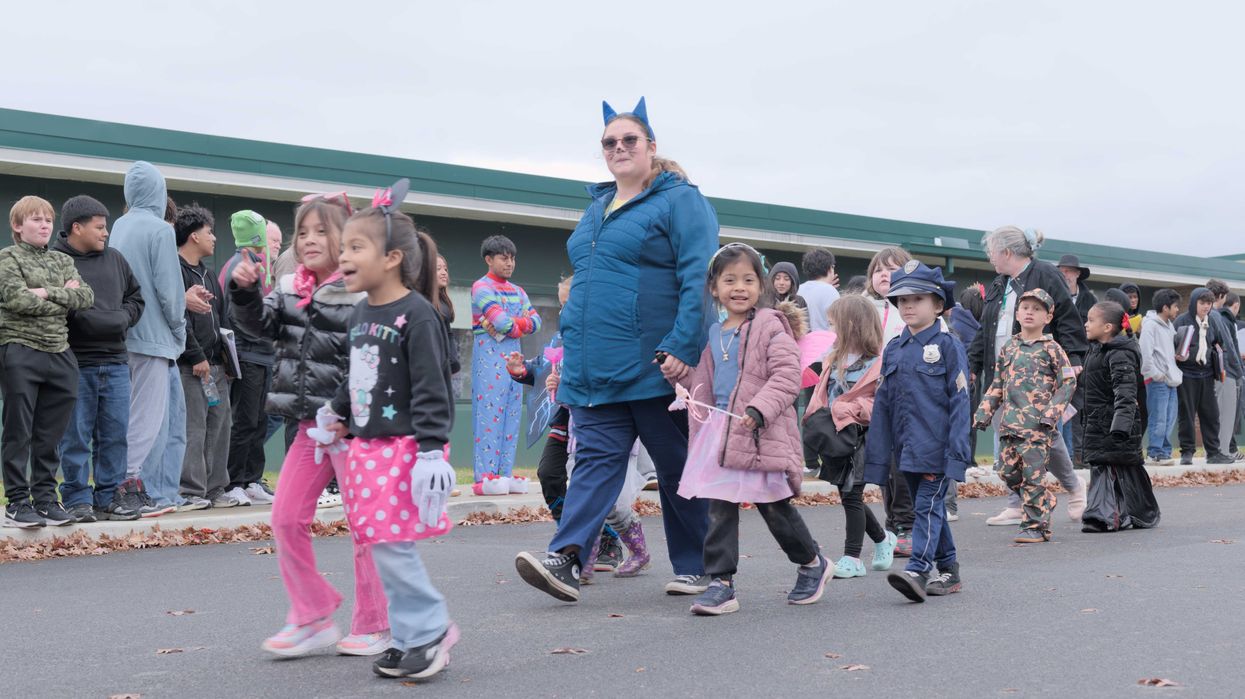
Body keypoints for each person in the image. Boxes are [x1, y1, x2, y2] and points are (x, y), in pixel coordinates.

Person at [514, 97, 714, 602]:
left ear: (651, 147)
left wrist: (683, 345)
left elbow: (697, 277)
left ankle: (699, 565)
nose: (619, 148)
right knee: (595, 462)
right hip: (593, 366)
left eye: (629, 140)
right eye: (610, 142)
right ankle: (567, 558)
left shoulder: (680, 200)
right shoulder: (596, 208)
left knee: (675, 467)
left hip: (653, 363)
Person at [233, 193, 387, 658]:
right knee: (284, 518)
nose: (311, 240)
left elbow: (373, 364)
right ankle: (312, 615)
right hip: (309, 429)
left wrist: (349, 416)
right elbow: (260, 326)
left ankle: (376, 623)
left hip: (357, 431)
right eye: (303, 232)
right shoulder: (289, 287)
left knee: (365, 528)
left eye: (323, 231)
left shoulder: (362, 292)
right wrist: (245, 291)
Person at [323, 189, 459, 681]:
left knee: (392, 545)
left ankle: (430, 630)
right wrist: (336, 411)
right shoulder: (361, 314)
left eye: (357, 246)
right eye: (345, 246)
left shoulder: (417, 314)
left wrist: (429, 451)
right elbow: (358, 376)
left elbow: (432, 386)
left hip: (406, 449)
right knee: (382, 546)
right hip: (366, 448)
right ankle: (408, 637)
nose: (344, 255)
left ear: (393, 258)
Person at [672, 243, 828, 615]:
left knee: (774, 507)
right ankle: (721, 583)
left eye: (748, 279)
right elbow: (706, 382)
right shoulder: (715, 332)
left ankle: (812, 562)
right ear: (714, 289)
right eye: (729, 280)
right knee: (719, 507)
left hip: (760, 431)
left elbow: (787, 375)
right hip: (722, 433)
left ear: (762, 286)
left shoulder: (771, 325)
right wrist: (679, 377)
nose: (738, 287)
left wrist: (760, 408)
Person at [864, 261, 972, 602]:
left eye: (918, 299)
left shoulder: (948, 345)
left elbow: (960, 403)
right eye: (902, 300)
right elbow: (883, 404)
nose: (908, 306)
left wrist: (957, 454)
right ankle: (950, 570)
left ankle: (918, 568)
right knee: (931, 508)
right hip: (905, 449)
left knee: (926, 506)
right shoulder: (894, 347)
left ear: (938, 304)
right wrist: (879, 456)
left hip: (937, 448)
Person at [967, 226, 1088, 526]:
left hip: (1036, 372)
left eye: (991, 252)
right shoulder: (1000, 283)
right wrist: (972, 364)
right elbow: (986, 328)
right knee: (1007, 436)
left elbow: (1067, 319)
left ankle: (1073, 486)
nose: (990, 258)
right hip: (1002, 373)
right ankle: (1015, 501)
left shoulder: (1045, 274)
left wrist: (1073, 359)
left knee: (1043, 435)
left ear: (1006, 252)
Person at [0, 196, 94, 528]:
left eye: (48, 220)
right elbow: (16, 299)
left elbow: (85, 297)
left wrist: (43, 292)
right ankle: (16, 502)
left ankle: (44, 499)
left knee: (50, 434)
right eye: (36, 220)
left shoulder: (61, 259)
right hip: (20, 350)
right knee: (18, 431)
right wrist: (59, 293)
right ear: (17, 226)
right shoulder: (7, 258)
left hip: (60, 354)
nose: (44, 225)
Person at [53, 195, 144, 523]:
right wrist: (93, 319)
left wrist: (121, 318)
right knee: (75, 435)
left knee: (115, 433)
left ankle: (109, 497)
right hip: (76, 363)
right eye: (100, 227)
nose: (106, 233)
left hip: (117, 363)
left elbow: (136, 298)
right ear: (76, 228)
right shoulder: (56, 261)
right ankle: (77, 498)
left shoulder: (116, 259)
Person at [108, 161, 189, 517]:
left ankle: (117, 481)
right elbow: (170, 290)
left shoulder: (118, 226)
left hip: (120, 333)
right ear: (160, 190)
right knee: (148, 417)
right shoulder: (161, 229)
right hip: (154, 337)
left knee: (122, 415)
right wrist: (179, 328)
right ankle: (128, 485)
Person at [803, 294, 897, 578]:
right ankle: (883, 539)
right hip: (835, 435)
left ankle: (852, 557)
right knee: (847, 495)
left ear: (852, 325)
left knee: (852, 494)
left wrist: (850, 407)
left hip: (861, 437)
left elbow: (880, 404)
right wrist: (814, 416)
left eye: (834, 325)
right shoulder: (834, 359)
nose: (831, 330)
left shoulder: (878, 364)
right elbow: (821, 394)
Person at [973, 289, 1076, 544]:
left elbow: (1068, 382)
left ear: (1048, 317)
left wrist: (1052, 413)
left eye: (1037, 309)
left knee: (1033, 475)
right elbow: (997, 383)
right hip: (1009, 424)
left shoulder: (1051, 348)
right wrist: (984, 411)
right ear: (1017, 313)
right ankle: (1045, 500)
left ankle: (1035, 527)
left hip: (1037, 426)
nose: (1030, 312)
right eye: (1025, 307)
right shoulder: (1009, 348)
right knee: (1006, 472)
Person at [173, 205, 237, 510]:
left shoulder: (210, 275)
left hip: (216, 366)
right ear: (194, 235)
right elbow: (177, 319)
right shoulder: (175, 270)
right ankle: (190, 492)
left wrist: (225, 361)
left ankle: (215, 490)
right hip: (191, 367)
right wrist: (196, 355)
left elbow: (222, 320)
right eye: (209, 232)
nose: (214, 237)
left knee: (221, 426)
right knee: (194, 429)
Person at [1080, 301, 1161, 532]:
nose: (1086, 324)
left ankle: (1106, 516)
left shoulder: (1120, 354)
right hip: (1098, 422)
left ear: (1107, 327)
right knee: (1105, 467)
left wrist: (1120, 428)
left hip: (1114, 427)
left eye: (1091, 320)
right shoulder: (1095, 350)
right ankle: (1126, 512)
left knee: (1113, 468)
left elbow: (1126, 394)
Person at [471, 234, 541, 487]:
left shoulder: (518, 291)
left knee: (511, 413)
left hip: (514, 358)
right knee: (489, 414)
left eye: (512, 258)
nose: (509, 263)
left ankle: (504, 473)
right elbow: (501, 321)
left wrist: (513, 325)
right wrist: (515, 323)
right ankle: (485, 476)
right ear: (489, 259)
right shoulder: (481, 287)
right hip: (488, 359)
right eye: (504, 258)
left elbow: (536, 322)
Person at [219, 211, 279, 505]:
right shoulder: (239, 266)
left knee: (259, 421)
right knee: (244, 421)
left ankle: (252, 478)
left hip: (264, 355)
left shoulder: (259, 265)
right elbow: (235, 314)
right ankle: (233, 482)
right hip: (246, 354)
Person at [864, 246, 915, 553]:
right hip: (872, 396)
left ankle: (907, 523)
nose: (884, 274)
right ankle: (893, 521)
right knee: (882, 462)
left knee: (901, 463)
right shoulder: (864, 306)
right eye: (879, 269)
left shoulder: (911, 308)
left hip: (906, 395)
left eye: (893, 268)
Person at [1174, 287, 1232, 465]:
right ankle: (1187, 452)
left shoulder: (1212, 320)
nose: (1206, 307)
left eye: (1209, 303)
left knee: (1211, 414)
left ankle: (1214, 453)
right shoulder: (1182, 321)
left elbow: (1219, 342)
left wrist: (1219, 356)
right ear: (1194, 303)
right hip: (1187, 375)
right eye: (1202, 303)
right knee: (1187, 415)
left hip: (1207, 374)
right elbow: (1174, 345)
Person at [1139, 289, 1182, 466]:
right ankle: (1154, 453)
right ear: (1165, 307)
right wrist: (1157, 375)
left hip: (1171, 379)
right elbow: (1145, 355)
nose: (1178, 310)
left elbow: (1167, 352)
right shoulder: (1150, 325)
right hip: (1158, 380)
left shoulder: (1169, 326)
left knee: (1170, 417)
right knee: (1159, 417)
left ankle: (1164, 451)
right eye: (1175, 306)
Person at [1207, 279, 1243, 459]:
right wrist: (1239, 372)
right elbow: (1229, 346)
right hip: (1225, 370)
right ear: (1221, 296)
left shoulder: (1204, 315)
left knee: (1217, 414)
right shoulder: (1218, 316)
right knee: (1227, 414)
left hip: (1210, 371)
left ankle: (1219, 450)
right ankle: (1223, 451)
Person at [798, 248, 839, 332]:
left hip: (800, 342)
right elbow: (838, 323)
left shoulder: (798, 289)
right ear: (830, 268)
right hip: (825, 343)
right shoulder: (830, 291)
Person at [433, 251, 461, 375]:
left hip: (445, 366)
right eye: (438, 269)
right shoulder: (423, 302)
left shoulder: (443, 301)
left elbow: (448, 333)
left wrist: (453, 361)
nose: (444, 273)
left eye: (445, 269)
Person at [1056, 254, 1097, 324]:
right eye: (1060, 271)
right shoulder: (1051, 295)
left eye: (1067, 271)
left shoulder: (1090, 300)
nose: (1063, 275)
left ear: (1077, 274)